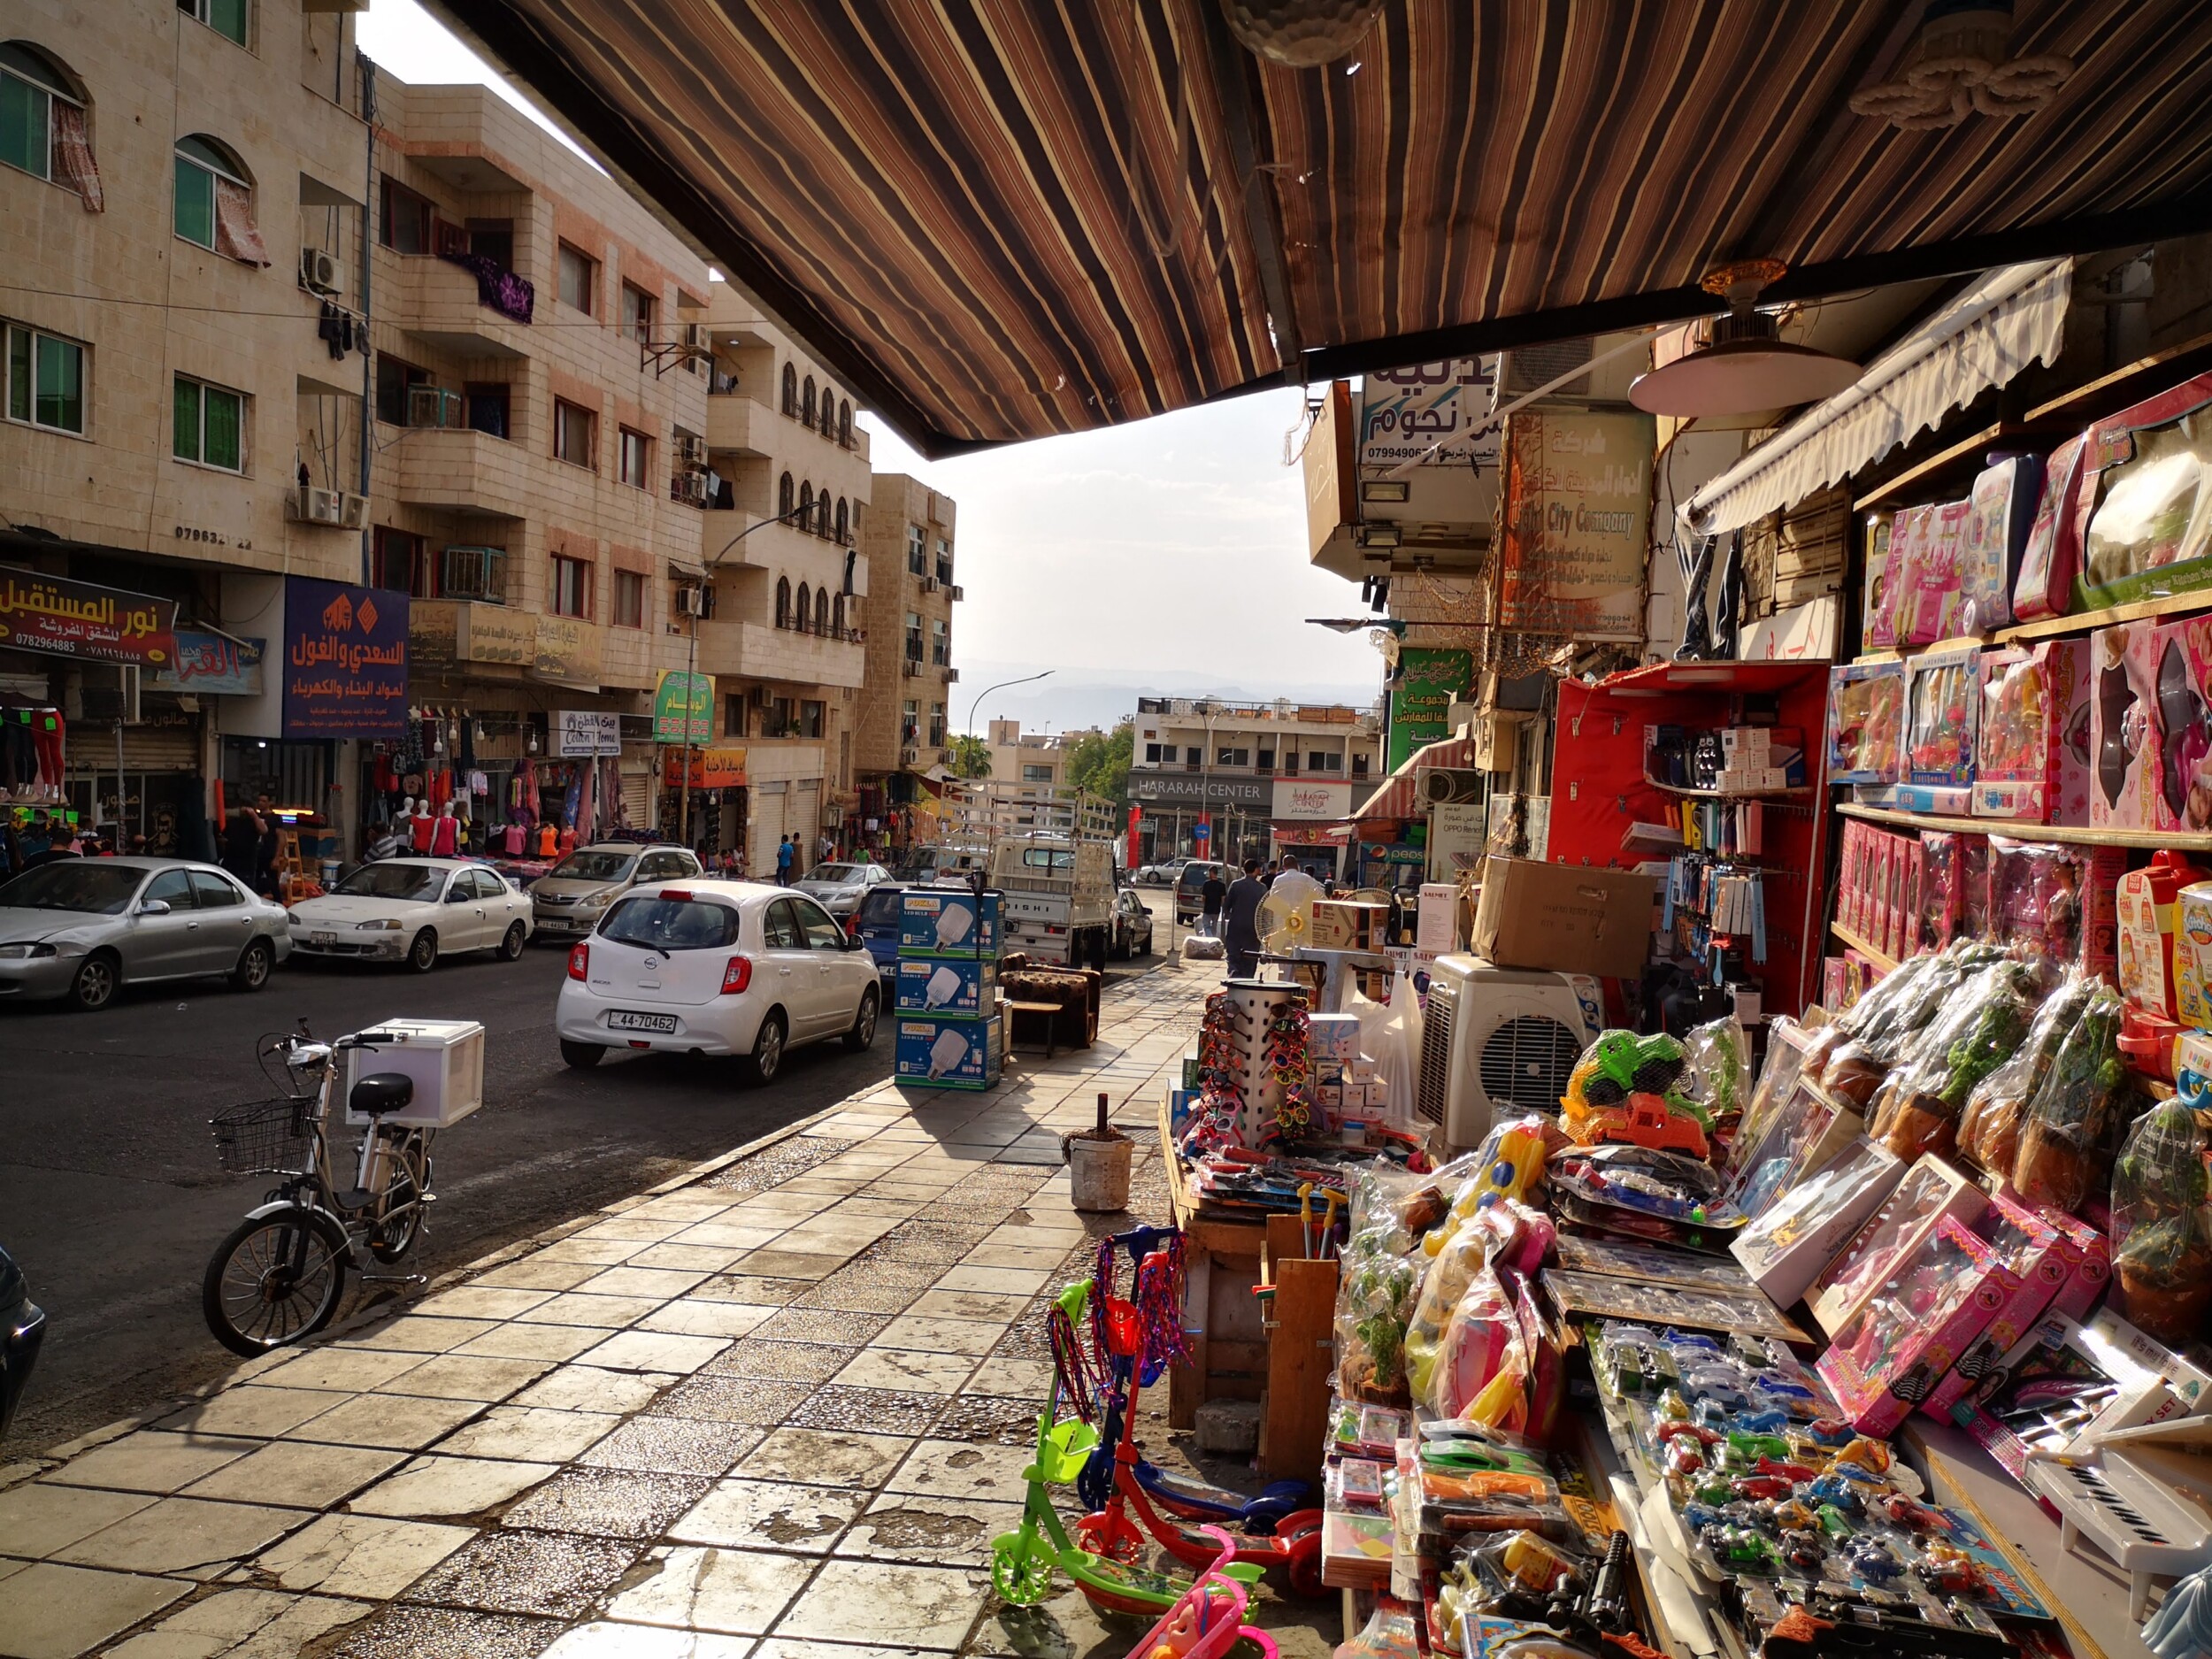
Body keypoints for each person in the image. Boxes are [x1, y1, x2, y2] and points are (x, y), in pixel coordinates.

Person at [1220, 857, 1268, 979]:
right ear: (1256, 870)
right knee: (1250, 961)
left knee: (1233, 958)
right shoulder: (1262, 888)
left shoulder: (1235, 885)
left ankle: (1234, 977)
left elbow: (1226, 906)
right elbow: (1265, 912)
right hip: (1253, 930)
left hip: (1235, 928)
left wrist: (1232, 917)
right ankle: (1246, 984)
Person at [1199, 866, 1226, 937]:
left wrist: (1203, 906)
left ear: (1211, 873)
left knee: (1206, 926)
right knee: (1214, 927)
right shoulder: (1222, 885)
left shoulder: (1206, 884)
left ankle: (1210, 939)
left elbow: (1203, 898)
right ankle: (1213, 941)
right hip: (1216, 910)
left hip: (1207, 909)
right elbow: (1223, 899)